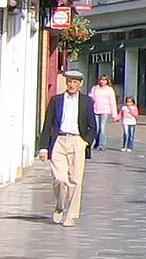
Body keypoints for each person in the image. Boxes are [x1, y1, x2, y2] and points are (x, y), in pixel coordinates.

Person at [40, 66, 99, 226]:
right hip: (59, 140)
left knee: (75, 180)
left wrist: (85, 142)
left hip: (77, 141)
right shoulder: (56, 100)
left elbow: (92, 126)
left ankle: (70, 215)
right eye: (69, 81)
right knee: (59, 179)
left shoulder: (87, 101)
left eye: (75, 82)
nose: (71, 85)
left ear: (80, 84)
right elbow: (47, 125)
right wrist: (43, 147)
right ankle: (60, 205)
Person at [89, 74, 118, 150]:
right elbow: (90, 98)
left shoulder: (110, 90)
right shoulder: (95, 88)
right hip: (95, 110)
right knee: (96, 128)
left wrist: (114, 114)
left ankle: (102, 145)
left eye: (104, 80)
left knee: (102, 128)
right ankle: (97, 142)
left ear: (107, 81)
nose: (103, 81)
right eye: (101, 80)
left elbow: (113, 102)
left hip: (105, 110)